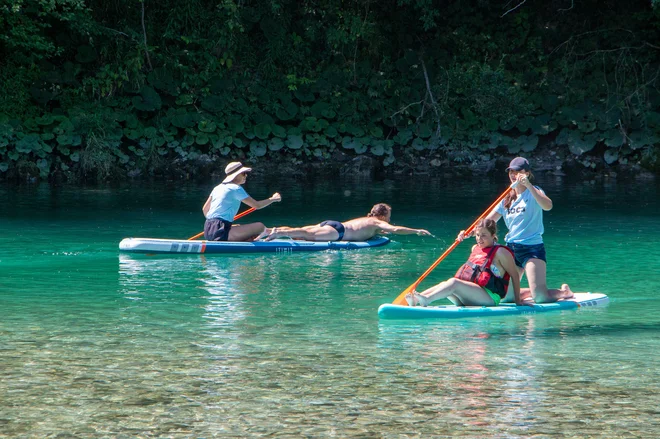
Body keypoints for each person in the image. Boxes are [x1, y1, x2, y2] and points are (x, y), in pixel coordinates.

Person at [459, 157, 574, 303]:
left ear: (527, 173)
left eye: (518, 171)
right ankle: (528, 292)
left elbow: (548, 206)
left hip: (532, 249)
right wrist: (467, 233)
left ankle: (564, 292)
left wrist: (529, 186)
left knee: (540, 297)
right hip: (511, 249)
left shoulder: (535, 191)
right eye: (511, 172)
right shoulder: (506, 197)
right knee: (506, 298)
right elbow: (487, 222)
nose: (514, 175)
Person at [406, 219, 526, 307]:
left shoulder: (501, 252)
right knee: (446, 283)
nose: (479, 239)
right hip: (470, 295)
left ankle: (426, 300)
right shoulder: (475, 248)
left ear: (493, 235)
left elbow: (515, 276)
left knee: (453, 283)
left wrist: (518, 301)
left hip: (489, 297)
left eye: (484, 235)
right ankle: (416, 300)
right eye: (478, 235)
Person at [260, 203, 431, 242]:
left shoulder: (368, 221)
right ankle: (279, 233)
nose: (389, 219)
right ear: (384, 215)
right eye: (389, 215)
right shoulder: (377, 222)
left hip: (333, 224)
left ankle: (269, 230)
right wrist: (416, 230)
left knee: (303, 230)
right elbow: (395, 230)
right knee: (305, 234)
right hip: (338, 232)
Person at [202, 162, 281, 241]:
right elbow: (257, 205)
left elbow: (205, 209)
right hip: (221, 231)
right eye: (243, 173)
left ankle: (242, 238)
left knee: (238, 226)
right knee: (260, 226)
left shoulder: (217, 188)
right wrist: (273, 199)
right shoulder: (236, 188)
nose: (246, 175)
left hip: (208, 229)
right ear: (236, 175)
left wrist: (215, 224)